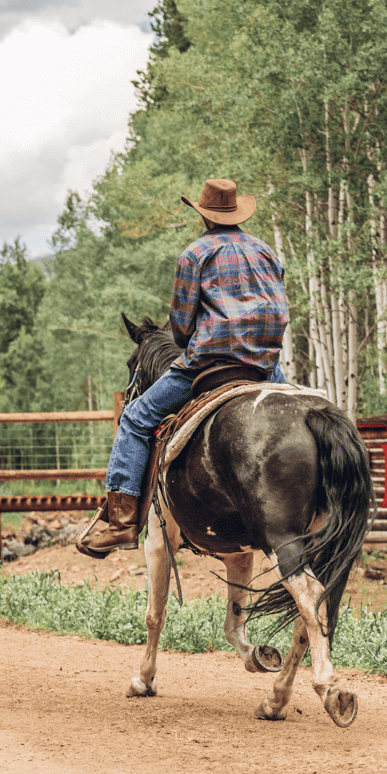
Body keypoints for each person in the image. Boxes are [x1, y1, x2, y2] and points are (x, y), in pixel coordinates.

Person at [77, 178, 289, 558]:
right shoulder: (266, 251)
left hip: (209, 364)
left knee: (136, 418)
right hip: (264, 366)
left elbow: (179, 328)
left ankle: (122, 524)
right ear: (237, 212)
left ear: (204, 215)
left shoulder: (195, 254)